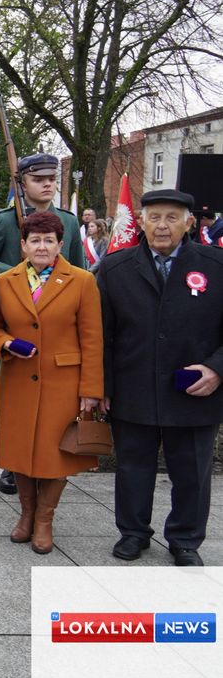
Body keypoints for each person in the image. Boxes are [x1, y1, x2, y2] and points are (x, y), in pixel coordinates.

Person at [98, 190, 223, 566]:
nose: (162, 226)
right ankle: (133, 533)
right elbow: (101, 335)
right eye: (154, 217)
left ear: (189, 222)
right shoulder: (116, 268)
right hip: (133, 387)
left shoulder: (216, 265)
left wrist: (218, 369)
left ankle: (185, 539)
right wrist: (102, 387)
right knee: (134, 467)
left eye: (172, 218)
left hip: (196, 390)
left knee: (192, 472)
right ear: (141, 221)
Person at [0, 212, 103, 554]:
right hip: (19, 381)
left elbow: (92, 338)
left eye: (49, 240)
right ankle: (25, 515)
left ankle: (44, 520)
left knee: (55, 455)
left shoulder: (82, 280)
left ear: (60, 244)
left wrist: (91, 391)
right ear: (23, 245)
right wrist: (6, 344)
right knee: (21, 451)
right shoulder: (5, 281)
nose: (42, 246)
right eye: (35, 240)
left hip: (63, 383)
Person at [0, 153, 83, 494]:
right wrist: (13, 275)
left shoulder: (67, 222)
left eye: (52, 178)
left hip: (56, 325)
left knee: (53, 403)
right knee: (16, 404)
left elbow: (79, 271)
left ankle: (48, 462)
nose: (48, 184)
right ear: (22, 182)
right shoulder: (7, 221)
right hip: (17, 323)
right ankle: (13, 464)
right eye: (39, 179)